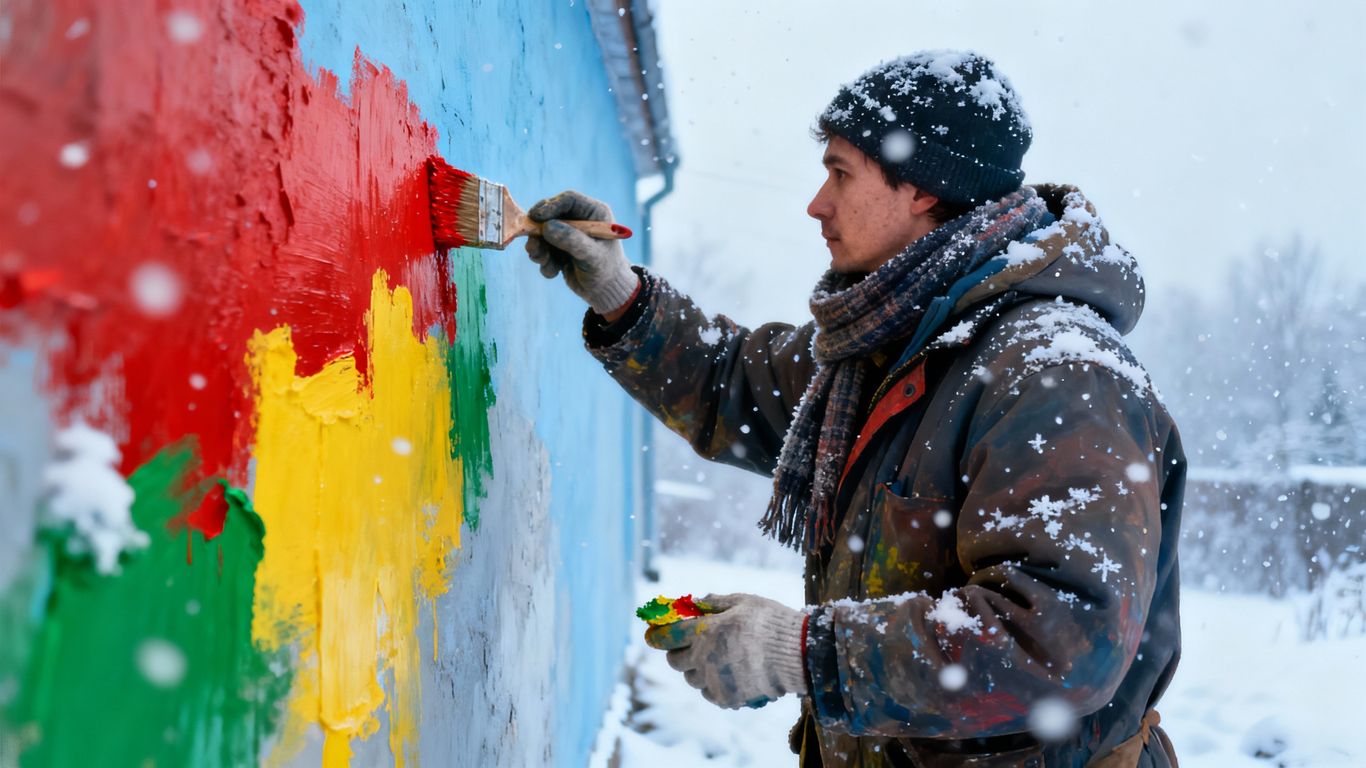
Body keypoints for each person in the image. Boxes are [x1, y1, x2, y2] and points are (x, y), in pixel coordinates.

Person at [526, 50, 1184, 768]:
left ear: (925, 190)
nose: (818, 203)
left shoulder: (1056, 374)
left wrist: (799, 655)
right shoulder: (889, 346)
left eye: (841, 173)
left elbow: (1059, 640)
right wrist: (620, 294)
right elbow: (735, 386)